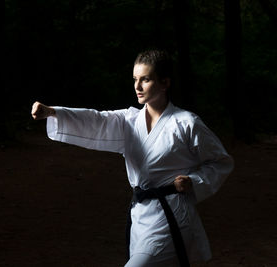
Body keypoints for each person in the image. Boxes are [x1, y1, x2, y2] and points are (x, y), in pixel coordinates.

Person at [31, 49, 234, 267]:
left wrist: (194, 181)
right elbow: (97, 121)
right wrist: (53, 112)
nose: (137, 87)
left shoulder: (186, 123)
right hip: (140, 216)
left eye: (145, 80)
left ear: (165, 83)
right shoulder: (130, 120)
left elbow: (220, 161)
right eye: (135, 79)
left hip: (172, 214)